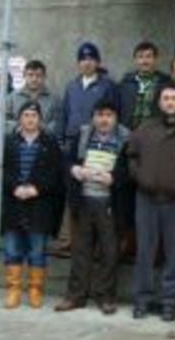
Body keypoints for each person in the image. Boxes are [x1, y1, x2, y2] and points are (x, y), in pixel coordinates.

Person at [128, 85, 175, 321]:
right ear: (159, 102)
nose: (170, 102)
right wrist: (140, 177)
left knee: (174, 254)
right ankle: (142, 300)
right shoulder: (145, 128)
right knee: (145, 252)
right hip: (146, 199)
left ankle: (169, 301)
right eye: (166, 98)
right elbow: (131, 156)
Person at [55, 99, 130, 315]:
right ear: (93, 117)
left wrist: (114, 177)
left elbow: (131, 170)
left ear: (116, 118)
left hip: (109, 203)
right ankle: (75, 296)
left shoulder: (125, 138)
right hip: (84, 200)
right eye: (99, 115)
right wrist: (75, 170)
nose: (103, 120)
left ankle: (106, 297)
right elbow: (66, 161)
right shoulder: (83, 134)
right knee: (80, 251)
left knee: (109, 252)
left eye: (108, 115)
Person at [58, 42, 119, 252]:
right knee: (74, 192)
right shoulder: (72, 86)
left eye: (91, 59)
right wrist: (62, 140)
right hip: (74, 145)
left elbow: (113, 113)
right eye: (83, 59)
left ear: (98, 62)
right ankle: (69, 239)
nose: (87, 62)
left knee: (97, 192)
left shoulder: (107, 85)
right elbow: (64, 114)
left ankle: (96, 243)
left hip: (97, 144)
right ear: (78, 63)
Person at [1, 101, 62, 309]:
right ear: (20, 118)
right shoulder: (9, 142)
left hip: (40, 204)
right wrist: (14, 188)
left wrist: (37, 189)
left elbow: (55, 174)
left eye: (34, 115)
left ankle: (35, 289)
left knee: (37, 250)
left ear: (40, 119)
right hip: (13, 202)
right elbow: (3, 171)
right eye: (25, 115)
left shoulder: (49, 143)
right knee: (12, 249)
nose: (29, 119)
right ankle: (13, 289)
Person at [118, 41, 170, 131]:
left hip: (154, 132)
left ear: (155, 59)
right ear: (135, 60)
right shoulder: (126, 83)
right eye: (140, 57)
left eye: (148, 56)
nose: (144, 61)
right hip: (129, 132)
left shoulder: (165, 83)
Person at [5, 60, 63, 136]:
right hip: (16, 144)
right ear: (24, 76)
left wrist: (41, 127)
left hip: (44, 144)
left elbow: (58, 122)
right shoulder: (12, 98)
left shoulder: (54, 99)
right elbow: (2, 120)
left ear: (44, 77)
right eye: (30, 75)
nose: (34, 79)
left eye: (38, 75)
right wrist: (19, 127)